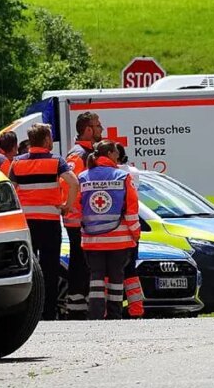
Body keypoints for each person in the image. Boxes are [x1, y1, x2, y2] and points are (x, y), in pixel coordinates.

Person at [8, 123, 79, 321]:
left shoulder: (17, 162)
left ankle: (28, 311)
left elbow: (10, 190)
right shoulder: (56, 161)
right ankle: (48, 312)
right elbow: (73, 183)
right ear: (47, 140)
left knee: (27, 267)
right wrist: (67, 205)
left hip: (26, 224)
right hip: (49, 222)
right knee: (49, 269)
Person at [79, 141, 141, 320]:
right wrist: (135, 234)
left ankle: (96, 314)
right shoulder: (122, 177)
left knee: (96, 278)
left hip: (92, 241)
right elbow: (131, 210)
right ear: (111, 154)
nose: (118, 156)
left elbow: (77, 209)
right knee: (116, 279)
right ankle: (115, 315)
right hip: (119, 240)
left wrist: (80, 232)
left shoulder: (83, 177)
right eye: (116, 153)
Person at [61, 112, 103, 319]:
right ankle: (76, 306)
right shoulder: (78, 155)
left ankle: (81, 302)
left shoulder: (89, 153)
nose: (101, 129)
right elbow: (68, 184)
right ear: (88, 129)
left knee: (85, 263)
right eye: (97, 125)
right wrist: (82, 211)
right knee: (80, 262)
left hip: (85, 220)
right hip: (78, 220)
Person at [116, 143, 145, 318]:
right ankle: (136, 309)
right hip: (130, 229)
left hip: (112, 232)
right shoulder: (132, 173)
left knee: (109, 272)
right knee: (130, 270)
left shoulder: (123, 174)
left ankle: (110, 309)